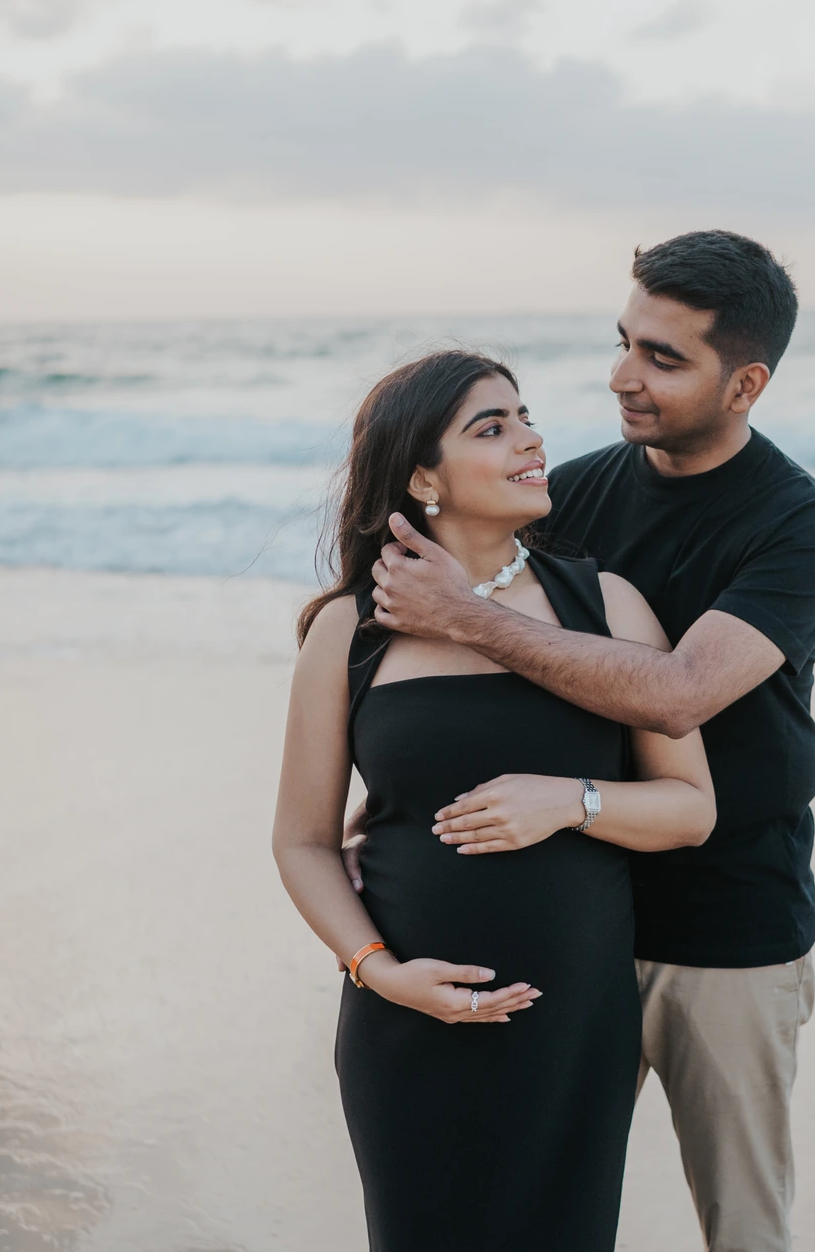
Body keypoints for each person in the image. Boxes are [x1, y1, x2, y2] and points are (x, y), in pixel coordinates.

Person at [367, 231, 815, 1252]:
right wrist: (400, 809)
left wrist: (468, 617)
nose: (625, 376)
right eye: (625, 341)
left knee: (743, 1226)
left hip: (725, 925)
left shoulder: (796, 523)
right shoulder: (570, 494)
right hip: (567, 926)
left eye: (665, 358)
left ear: (745, 382)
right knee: (541, 1217)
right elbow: (471, 670)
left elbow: (680, 694)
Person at [271, 350, 716, 1252]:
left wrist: (573, 800)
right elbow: (302, 841)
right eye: (493, 426)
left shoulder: (606, 606)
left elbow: (690, 807)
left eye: (525, 415)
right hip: (406, 1025)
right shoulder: (348, 632)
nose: (531, 437)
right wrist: (379, 970)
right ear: (422, 477)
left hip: (573, 1023)